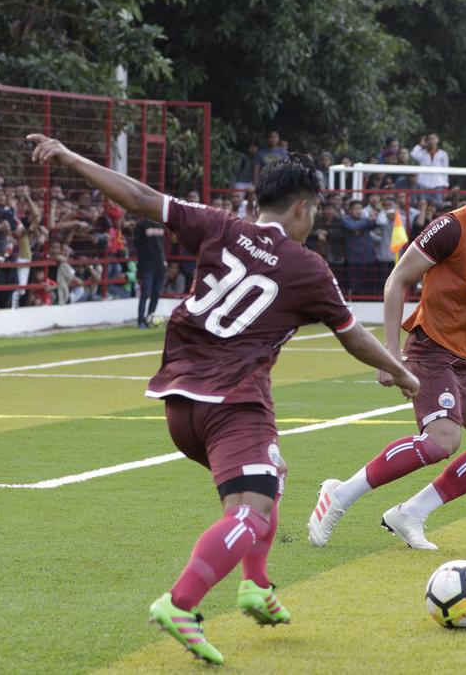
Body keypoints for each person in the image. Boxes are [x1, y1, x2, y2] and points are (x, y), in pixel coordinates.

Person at [26, 133, 419, 665]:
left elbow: (141, 198)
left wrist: (72, 156)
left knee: (270, 476)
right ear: (303, 208)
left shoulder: (217, 224)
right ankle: (181, 603)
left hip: (178, 402)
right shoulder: (308, 267)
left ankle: (255, 586)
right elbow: (352, 334)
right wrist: (399, 372)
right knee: (254, 513)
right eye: (314, 213)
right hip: (234, 403)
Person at [307, 136, 466, 552]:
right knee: (441, 441)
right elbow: (397, 280)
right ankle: (339, 494)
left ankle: (410, 513)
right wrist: (391, 352)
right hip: (431, 350)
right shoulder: (450, 227)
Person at [133, 215, 166, 328]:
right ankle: (141, 320)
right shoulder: (141, 226)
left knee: (156, 293)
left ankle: (150, 317)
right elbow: (136, 245)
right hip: (147, 265)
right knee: (145, 293)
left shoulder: (162, 225)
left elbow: (164, 244)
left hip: (160, 264)